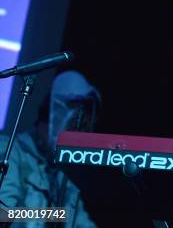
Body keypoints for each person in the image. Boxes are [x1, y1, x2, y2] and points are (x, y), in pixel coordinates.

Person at [0, 71, 101, 228]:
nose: (74, 135)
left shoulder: (63, 176)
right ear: (50, 117)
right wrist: (58, 214)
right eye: (70, 127)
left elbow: (81, 223)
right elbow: (3, 214)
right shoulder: (11, 151)